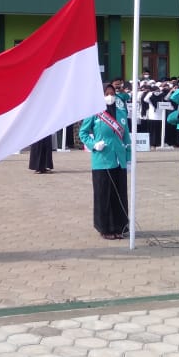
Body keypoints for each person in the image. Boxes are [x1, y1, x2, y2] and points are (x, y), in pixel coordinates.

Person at [80, 84, 130, 240]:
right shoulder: (94, 114)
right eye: (106, 93)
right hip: (102, 160)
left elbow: (126, 137)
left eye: (112, 93)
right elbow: (83, 133)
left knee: (119, 195)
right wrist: (93, 144)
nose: (110, 96)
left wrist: (128, 159)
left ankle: (119, 226)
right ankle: (105, 228)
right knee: (104, 195)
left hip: (119, 160)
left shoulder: (121, 113)